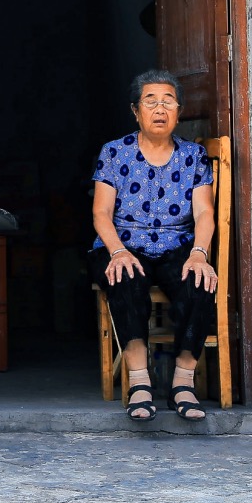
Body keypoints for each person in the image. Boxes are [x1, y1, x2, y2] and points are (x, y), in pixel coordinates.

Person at [89, 68, 219, 422]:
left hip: (178, 243)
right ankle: (140, 383)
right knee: (125, 279)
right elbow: (101, 212)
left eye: (168, 102)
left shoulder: (193, 156)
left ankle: (183, 383)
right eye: (151, 101)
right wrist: (117, 251)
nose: (160, 109)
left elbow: (205, 212)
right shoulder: (115, 152)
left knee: (199, 282)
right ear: (136, 111)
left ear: (178, 111)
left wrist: (199, 253)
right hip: (122, 242)